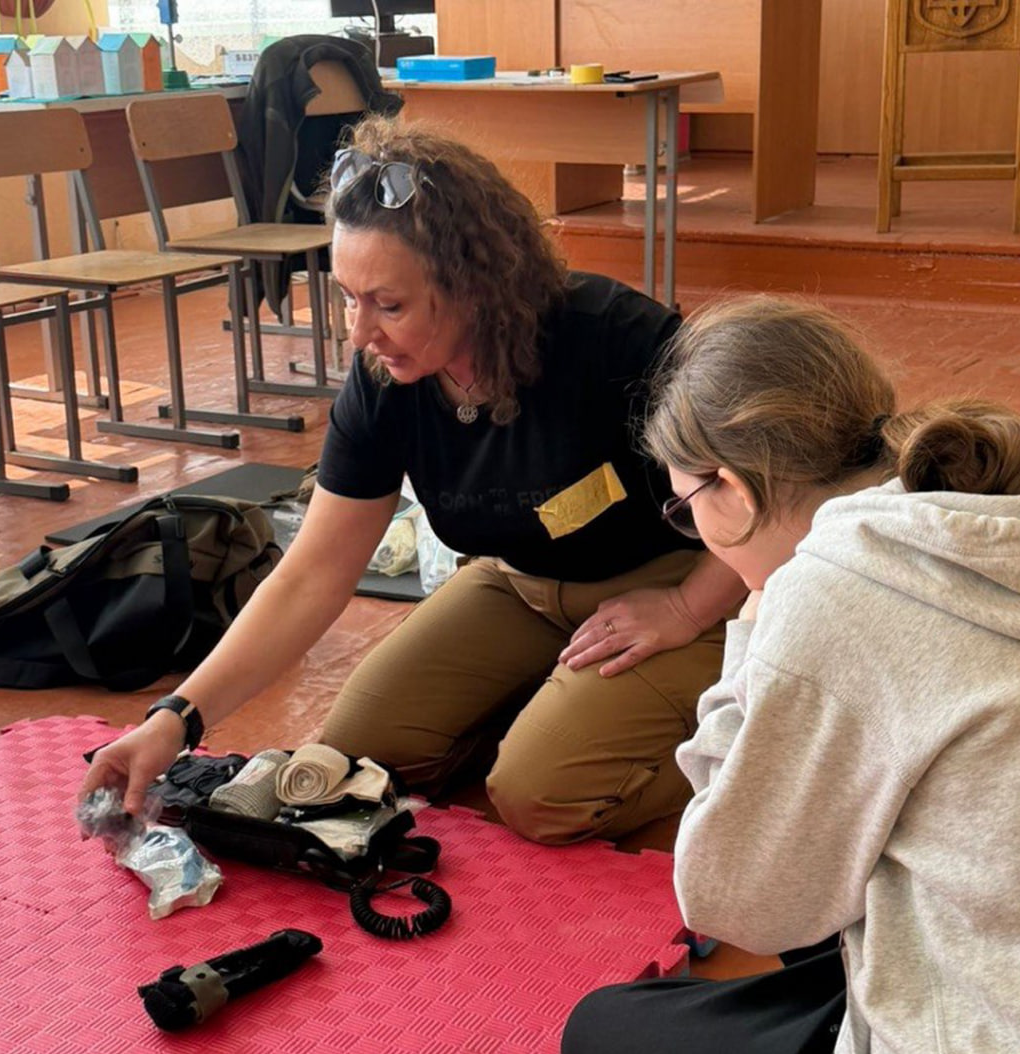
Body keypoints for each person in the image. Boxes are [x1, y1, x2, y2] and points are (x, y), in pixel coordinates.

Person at [80, 118, 746, 843]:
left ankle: (735, 734)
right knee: (353, 760)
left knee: (540, 797)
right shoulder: (384, 379)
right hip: (518, 584)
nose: (359, 334)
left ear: (478, 287)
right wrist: (175, 720)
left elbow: (768, 497)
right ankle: (550, 708)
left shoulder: (614, 340)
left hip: (679, 582)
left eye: (388, 305)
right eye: (346, 297)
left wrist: (684, 608)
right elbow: (310, 578)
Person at [561, 296, 1020, 1054]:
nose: (696, 533)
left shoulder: (833, 587)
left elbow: (731, 899)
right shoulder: (963, 511)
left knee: (602, 1044)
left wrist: (759, 615)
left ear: (727, 489)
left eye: (685, 507)